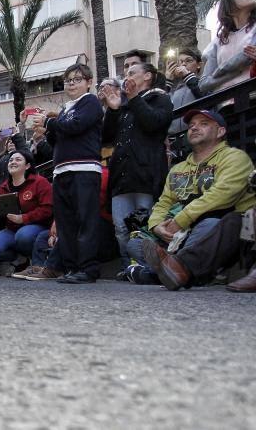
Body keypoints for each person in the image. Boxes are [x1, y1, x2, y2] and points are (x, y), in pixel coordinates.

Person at [126, 109, 256, 290]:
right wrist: (157, 226)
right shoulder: (178, 168)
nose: (194, 128)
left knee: (210, 224)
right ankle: (176, 270)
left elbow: (221, 195)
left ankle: (162, 272)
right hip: (178, 234)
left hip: (212, 228)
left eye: (204, 124)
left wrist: (179, 221)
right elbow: (164, 202)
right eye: (191, 125)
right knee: (135, 243)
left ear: (220, 132)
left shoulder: (235, 157)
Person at [21, 63, 104, 284]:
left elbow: (77, 125)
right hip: (62, 170)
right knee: (66, 223)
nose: (72, 84)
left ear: (89, 82)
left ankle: (87, 268)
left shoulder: (90, 102)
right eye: (68, 80)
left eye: (77, 79)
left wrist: (50, 122)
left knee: (85, 220)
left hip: (84, 168)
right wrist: (46, 130)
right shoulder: (66, 108)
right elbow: (57, 139)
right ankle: (72, 266)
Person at [101, 62, 174, 277]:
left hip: (145, 174)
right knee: (121, 228)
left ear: (148, 76)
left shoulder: (160, 98)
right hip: (121, 177)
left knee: (146, 225)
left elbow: (154, 123)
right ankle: (128, 267)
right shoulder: (124, 105)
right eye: (126, 73)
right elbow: (106, 138)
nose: (127, 77)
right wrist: (113, 111)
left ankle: (149, 267)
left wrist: (133, 99)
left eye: (132, 73)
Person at [0, 150, 53, 277]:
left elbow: (47, 209)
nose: (13, 162)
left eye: (18, 159)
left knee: (23, 236)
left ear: (27, 166)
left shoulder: (40, 182)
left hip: (37, 226)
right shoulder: (4, 186)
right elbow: (0, 219)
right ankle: (20, 261)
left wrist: (24, 218)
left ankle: (36, 262)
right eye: (11, 160)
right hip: (12, 229)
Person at [199, 0, 256, 93]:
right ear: (230, 4)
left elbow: (246, 57)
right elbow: (203, 84)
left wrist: (218, 72)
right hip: (224, 106)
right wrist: (233, 73)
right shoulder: (218, 41)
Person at [165, 48, 206, 164]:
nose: (183, 64)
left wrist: (187, 75)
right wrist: (168, 80)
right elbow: (161, 105)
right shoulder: (176, 90)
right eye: (180, 62)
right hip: (174, 145)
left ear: (199, 65)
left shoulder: (203, 82)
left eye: (188, 61)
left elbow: (202, 95)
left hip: (196, 140)